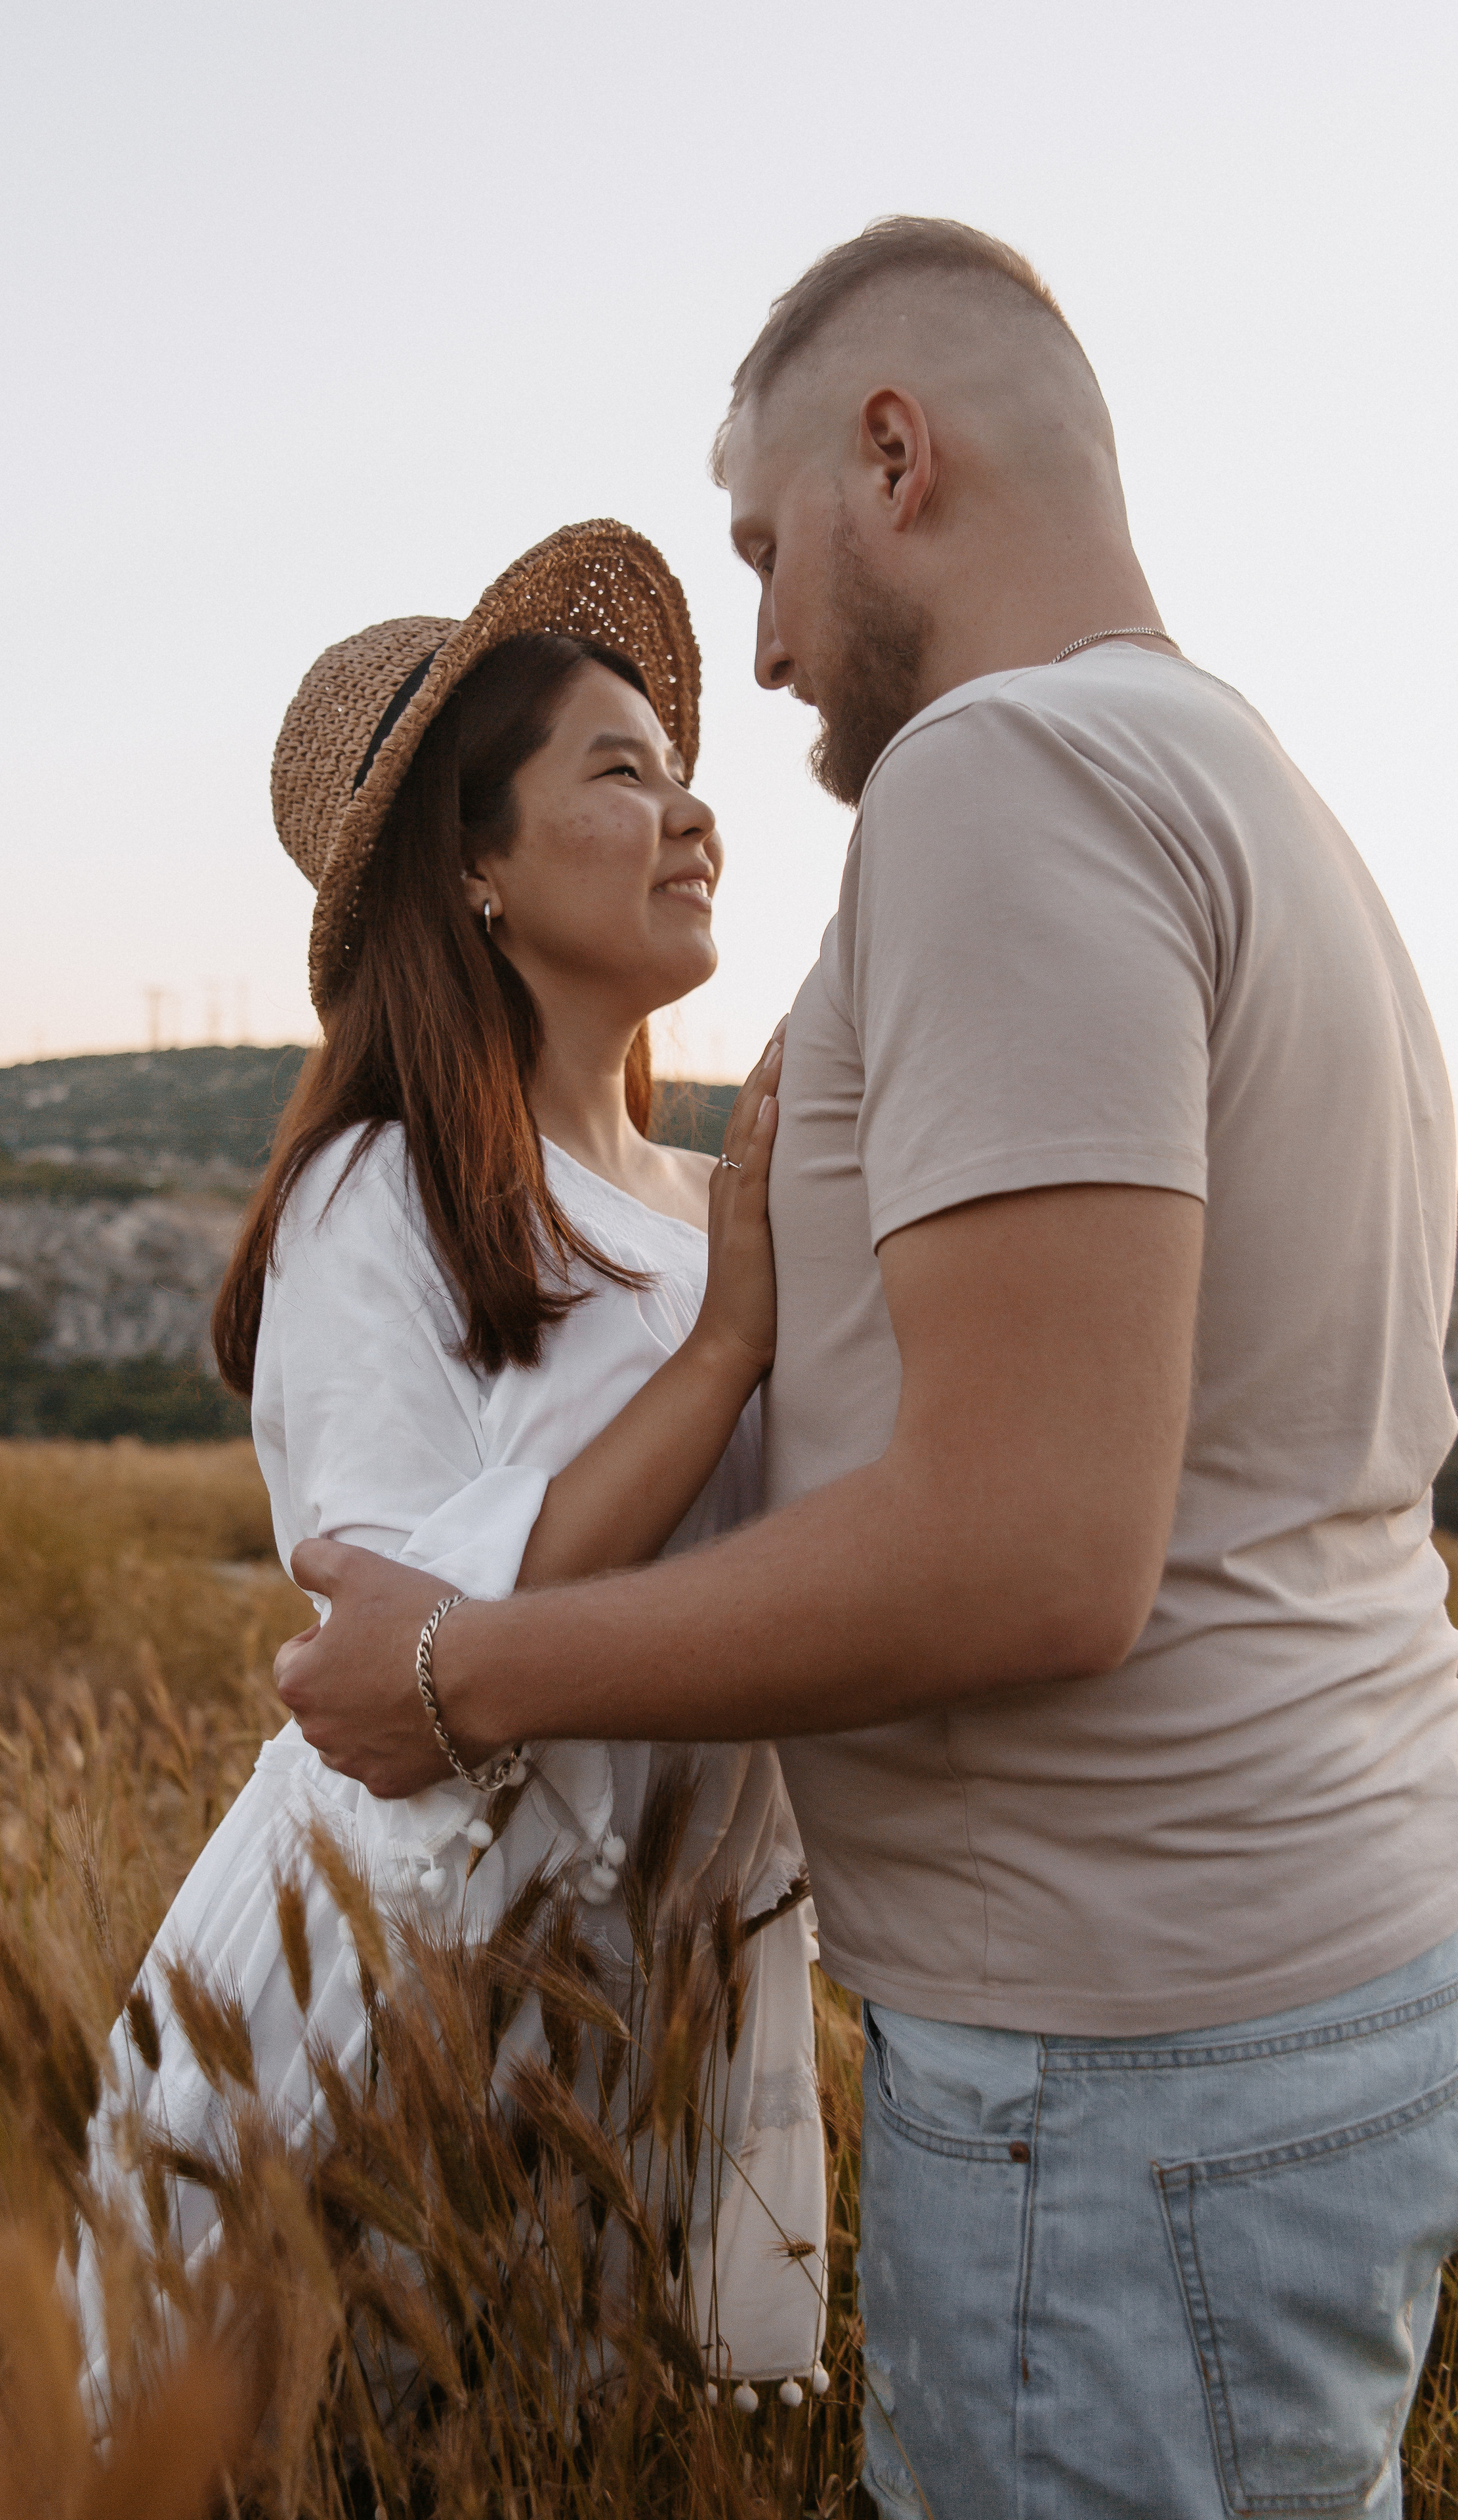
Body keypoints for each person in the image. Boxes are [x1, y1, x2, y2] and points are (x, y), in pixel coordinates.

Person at [277, 224, 1458, 2517]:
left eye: (763, 553)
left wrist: (474, 1673)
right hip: (1297, 1998)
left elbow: (1033, 1555)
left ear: (892, 456)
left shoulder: (1002, 781)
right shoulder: (1262, 791)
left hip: (1124, 2082)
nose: (773, 649)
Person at [73, 521, 826, 2426]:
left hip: (663, 2002)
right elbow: (418, 1648)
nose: (690, 816)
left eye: (685, 771)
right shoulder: (379, 1193)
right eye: (619, 771)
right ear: (474, 868)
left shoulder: (715, 1201)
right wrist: (732, 1347)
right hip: (397, 1992)